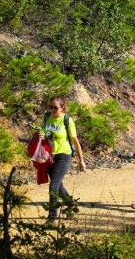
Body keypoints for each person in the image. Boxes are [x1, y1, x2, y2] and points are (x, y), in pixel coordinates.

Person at [41, 96, 86, 225]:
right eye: (51, 107)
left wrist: (81, 160)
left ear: (62, 108)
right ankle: (71, 203)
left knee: (53, 185)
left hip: (64, 156)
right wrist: (41, 135)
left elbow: (75, 141)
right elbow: (45, 133)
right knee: (58, 186)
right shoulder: (46, 117)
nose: (53, 110)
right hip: (50, 156)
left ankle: (52, 216)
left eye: (55, 108)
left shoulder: (67, 120)